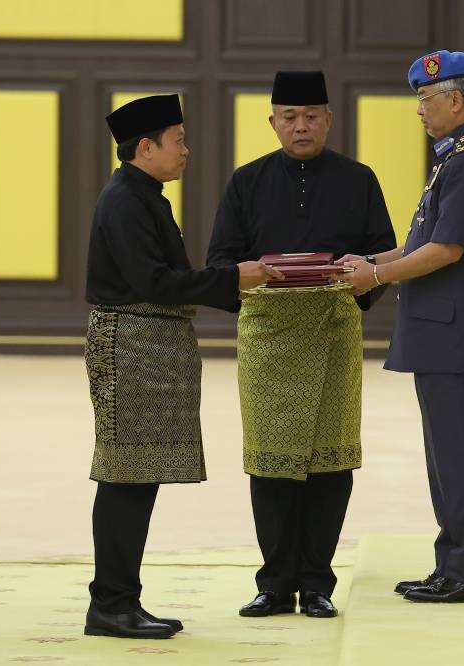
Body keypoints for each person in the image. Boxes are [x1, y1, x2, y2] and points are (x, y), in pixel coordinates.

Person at [83, 94, 282, 639]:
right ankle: (111, 604)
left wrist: (231, 279)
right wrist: (234, 278)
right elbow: (154, 283)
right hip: (131, 348)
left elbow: (163, 280)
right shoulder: (125, 200)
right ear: (145, 148)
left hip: (150, 349)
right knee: (126, 476)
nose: (187, 151)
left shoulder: (144, 195)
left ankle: (121, 599)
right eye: (179, 140)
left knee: (137, 476)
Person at [207, 71, 397, 619]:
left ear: (329, 119)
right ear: (273, 122)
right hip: (268, 333)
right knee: (270, 462)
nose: (301, 126)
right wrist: (261, 274)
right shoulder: (246, 182)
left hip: (335, 329)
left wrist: (354, 280)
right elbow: (221, 260)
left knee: (330, 461)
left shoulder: (359, 179)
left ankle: (317, 584)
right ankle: (274, 583)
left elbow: (381, 257)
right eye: (289, 117)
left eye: (312, 115)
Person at [339, 50, 464, 603]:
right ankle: (454, 565)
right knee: (445, 457)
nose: (419, 108)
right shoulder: (457, 154)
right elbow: (425, 241)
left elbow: (447, 248)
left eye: (425, 98)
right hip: (446, 327)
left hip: (455, 330)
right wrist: (373, 261)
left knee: (458, 456)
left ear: (455, 99)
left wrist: (378, 274)